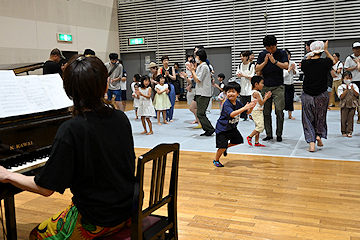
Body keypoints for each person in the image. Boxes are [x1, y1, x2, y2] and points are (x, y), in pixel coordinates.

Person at [0, 55, 135, 239]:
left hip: (97, 219)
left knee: (36, 235)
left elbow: (46, 189)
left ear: (69, 91)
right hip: (128, 209)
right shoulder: (120, 118)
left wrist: (7, 175)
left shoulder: (71, 129)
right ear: (105, 86)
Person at [301, 40, 336, 152]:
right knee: (320, 117)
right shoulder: (325, 63)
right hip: (322, 94)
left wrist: (310, 54)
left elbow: (304, 61)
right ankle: (319, 136)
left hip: (307, 94)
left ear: (311, 50)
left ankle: (311, 143)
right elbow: (333, 61)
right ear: (321, 51)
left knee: (307, 118)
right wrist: (326, 50)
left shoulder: (306, 64)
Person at [213, 82, 256, 167]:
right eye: (228, 92)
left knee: (239, 140)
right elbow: (232, 114)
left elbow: (246, 112)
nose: (230, 94)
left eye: (233, 91)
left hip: (232, 128)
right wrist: (244, 108)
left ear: (238, 93)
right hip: (222, 129)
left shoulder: (238, 103)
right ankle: (216, 160)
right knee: (221, 147)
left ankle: (225, 147)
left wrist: (251, 108)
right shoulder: (226, 104)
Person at [255, 35, 289, 142]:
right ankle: (269, 134)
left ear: (276, 45)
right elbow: (257, 68)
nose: (269, 50)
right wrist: (265, 62)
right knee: (266, 111)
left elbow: (286, 66)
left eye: (271, 48)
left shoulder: (282, 53)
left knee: (279, 110)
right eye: (267, 48)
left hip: (278, 86)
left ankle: (279, 134)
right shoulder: (262, 54)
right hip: (265, 86)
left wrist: (274, 61)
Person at [187, 49, 215, 136]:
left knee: (200, 113)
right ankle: (207, 129)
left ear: (200, 57)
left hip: (204, 93)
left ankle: (210, 129)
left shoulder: (204, 67)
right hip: (199, 92)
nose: (195, 58)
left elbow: (198, 80)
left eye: (196, 56)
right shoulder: (200, 66)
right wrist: (193, 72)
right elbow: (195, 79)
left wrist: (192, 71)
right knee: (198, 112)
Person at [247, 76, 272, 147]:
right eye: (262, 83)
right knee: (261, 126)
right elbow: (261, 103)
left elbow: (259, 101)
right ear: (256, 84)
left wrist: (266, 96)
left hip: (258, 111)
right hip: (257, 112)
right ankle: (250, 136)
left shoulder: (257, 92)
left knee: (257, 126)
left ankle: (257, 142)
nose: (263, 85)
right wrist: (266, 98)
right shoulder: (256, 93)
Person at [337, 71, 359, 137]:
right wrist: (346, 90)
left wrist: (352, 89)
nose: (348, 79)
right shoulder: (341, 87)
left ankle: (349, 131)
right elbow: (341, 96)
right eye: (346, 78)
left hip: (352, 103)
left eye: (349, 78)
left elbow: (357, 94)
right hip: (344, 104)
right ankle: (343, 131)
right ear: (343, 79)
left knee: (350, 118)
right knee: (344, 118)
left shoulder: (354, 86)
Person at [236, 50, 255, 121]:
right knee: (243, 102)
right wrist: (239, 75)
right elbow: (238, 74)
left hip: (249, 86)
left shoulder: (251, 65)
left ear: (247, 57)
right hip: (242, 86)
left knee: (250, 101)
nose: (242, 58)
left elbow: (251, 76)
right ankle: (243, 116)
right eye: (241, 56)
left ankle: (251, 115)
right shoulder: (240, 65)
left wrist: (243, 75)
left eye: (243, 56)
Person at [344, 42, 360, 124]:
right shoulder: (349, 58)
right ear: (353, 49)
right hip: (352, 81)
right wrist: (355, 67)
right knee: (352, 100)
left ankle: (359, 117)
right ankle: (350, 116)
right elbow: (346, 68)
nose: (357, 50)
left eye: (359, 48)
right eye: (356, 48)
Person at [283, 49, 299, 120]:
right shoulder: (282, 64)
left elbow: (297, 74)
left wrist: (294, 70)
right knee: (282, 100)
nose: (287, 56)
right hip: (283, 85)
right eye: (286, 55)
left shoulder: (293, 63)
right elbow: (282, 75)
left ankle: (290, 115)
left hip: (291, 84)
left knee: (290, 99)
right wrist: (289, 70)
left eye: (288, 54)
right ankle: (280, 115)